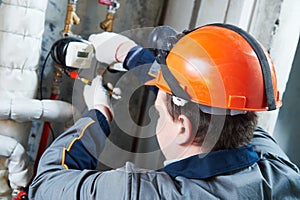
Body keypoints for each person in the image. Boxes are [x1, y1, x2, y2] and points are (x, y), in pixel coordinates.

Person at [29, 23, 300, 199]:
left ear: (183, 127)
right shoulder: (281, 173)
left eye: (158, 113)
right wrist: (131, 55)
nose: (156, 113)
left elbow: (46, 185)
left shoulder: (144, 194)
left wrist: (97, 115)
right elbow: (219, 101)